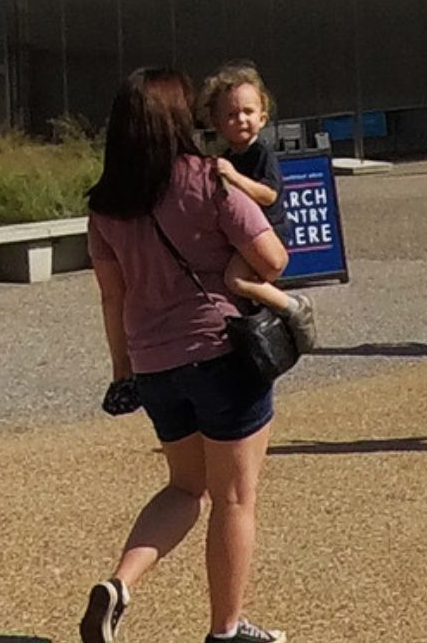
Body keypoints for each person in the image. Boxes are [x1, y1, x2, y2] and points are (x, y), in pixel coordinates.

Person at [82, 67, 290, 643]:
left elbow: (111, 295)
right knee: (233, 498)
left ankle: (120, 584)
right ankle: (226, 630)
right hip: (222, 353)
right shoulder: (209, 180)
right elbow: (273, 259)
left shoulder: (105, 206)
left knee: (183, 488)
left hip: (153, 365)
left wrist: (122, 371)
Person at [198, 65, 315, 346]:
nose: (241, 120)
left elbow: (269, 195)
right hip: (243, 235)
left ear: (262, 117)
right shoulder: (226, 157)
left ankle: (293, 306)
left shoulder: (260, 153)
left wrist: (234, 177)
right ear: (216, 121)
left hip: (267, 232)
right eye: (232, 114)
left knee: (235, 280)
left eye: (248, 112)